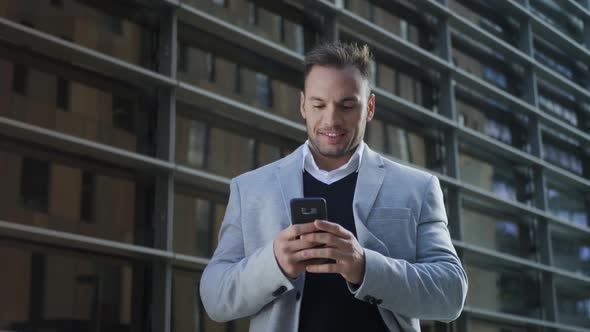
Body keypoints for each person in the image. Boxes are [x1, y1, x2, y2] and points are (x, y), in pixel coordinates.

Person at [200, 42, 468, 332]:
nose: (331, 120)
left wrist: (365, 267)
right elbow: (215, 297)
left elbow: (451, 293)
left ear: (370, 108)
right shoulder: (250, 188)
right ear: (303, 105)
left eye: (347, 105)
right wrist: (274, 263)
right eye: (318, 105)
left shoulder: (418, 187)